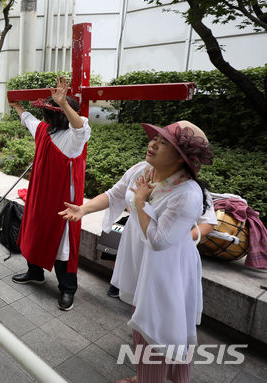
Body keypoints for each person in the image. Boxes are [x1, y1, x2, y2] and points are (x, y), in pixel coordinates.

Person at [60, 121, 214, 383]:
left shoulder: (187, 193)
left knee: (157, 326)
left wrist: (141, 202)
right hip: (140, 255)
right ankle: (147, 375)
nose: (153, 144)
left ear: (181, 158)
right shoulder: (144, 170)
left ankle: (157, 378)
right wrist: (83, 209)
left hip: (165, 265)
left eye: (164, 143)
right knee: (144, 318)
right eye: (155, 138)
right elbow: (115, 193)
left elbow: (158, 240)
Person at [8, 77, 90, 311]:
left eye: (49, 113)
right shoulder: (45, 129)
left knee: (62, 244)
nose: (44, 117)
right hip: (39, 195)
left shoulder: (74, 139)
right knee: (34, 230)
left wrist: (63, 104)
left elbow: (81, 127)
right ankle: (35, 273)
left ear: (62, 115)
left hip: (62, 199)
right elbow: (29, 120)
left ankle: (67, 289)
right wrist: (16, 106)